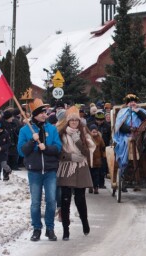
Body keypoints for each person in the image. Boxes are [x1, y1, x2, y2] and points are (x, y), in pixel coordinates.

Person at [18, 98, 62, 241]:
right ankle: (37, 229)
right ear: (35, 114)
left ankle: (50, 228)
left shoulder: (52, 129)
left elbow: (58, 148)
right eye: (42, 112)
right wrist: (32, 141)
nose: (45, 115)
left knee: (51, 200)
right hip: (35, 171)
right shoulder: (25, 130)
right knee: (35, 203)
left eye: (45, 112)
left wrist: (46, 148)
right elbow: (21, 151)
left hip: (50, 171)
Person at [56, 107, 95, 240]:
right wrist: (70, 157)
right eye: (71, 120)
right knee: (65, 200)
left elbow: (87, 152)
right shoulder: (61, 134)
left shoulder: (84, 133)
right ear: (67, 121)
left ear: (79, 121)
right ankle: (65, 231)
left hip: (81, 168)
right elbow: (58, 152)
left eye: (76, 120)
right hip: (66, 168)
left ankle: (85, 223)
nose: (73, 122)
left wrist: (77, 140)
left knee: (80, 199)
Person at [113, 94, 146, 192]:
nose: (132, 103)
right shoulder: (122, 112)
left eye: (134, 101)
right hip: (127, 135)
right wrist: (130, 129)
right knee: (128, 142)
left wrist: (138, 112)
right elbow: (120, 126)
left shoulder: (142, 111)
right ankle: (125, 172)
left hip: (141, 135)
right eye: (130, 101)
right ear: (127, 103)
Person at [88, 123, 106, 194]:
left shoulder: (100, 138)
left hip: (97, 160)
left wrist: (103, 156)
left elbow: (103, 147)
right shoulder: (88, 138)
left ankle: (96, 187)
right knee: (90, 174)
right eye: (93, 132)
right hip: (89, 159)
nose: (94, 133)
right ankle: (90, 186)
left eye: (95, 132)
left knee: (96, 175)